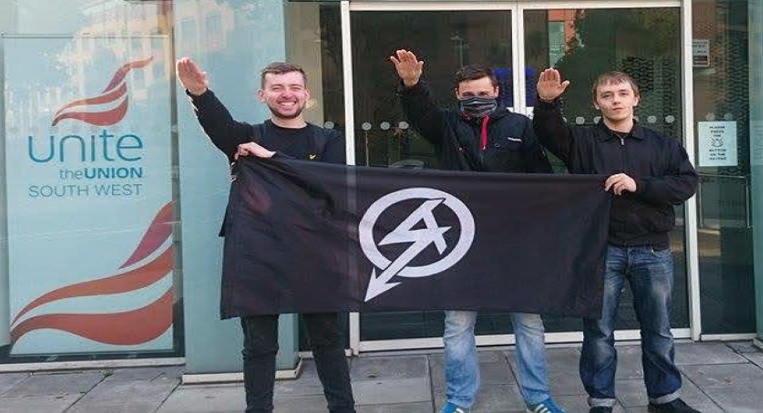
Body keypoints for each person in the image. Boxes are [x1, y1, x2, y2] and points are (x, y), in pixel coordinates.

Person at [176, 57, 355, 413]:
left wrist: (267, 156)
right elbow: (219, 125)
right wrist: (199, 92)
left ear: (307, 95)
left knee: (327, 340)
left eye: (293, 87)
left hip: (314, 253)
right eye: (277, 88)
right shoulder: (246, 137)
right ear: (262, 95)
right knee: (259, 347)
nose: (286, 95)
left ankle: (344, 409)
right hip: (258, 254)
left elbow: (327, 183)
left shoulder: (328, 139)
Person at [390, 49, 565, 413]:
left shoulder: (520, 127)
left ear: (497, 91)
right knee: (457, 323)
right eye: (468, 94)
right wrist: (411, 84)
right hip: (460, 239)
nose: (476, 99)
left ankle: (538, 398)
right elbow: (421, 113)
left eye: (483, 93)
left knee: (529, 322)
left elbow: (541, 178)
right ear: (457, 95)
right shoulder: (447, 125)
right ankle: (458, 400)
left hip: (514, 241)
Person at [534, 69, 699, 413]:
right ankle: (601, 402)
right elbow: (548, 133)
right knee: (598, 332)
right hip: (601, 250)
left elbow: (685, 184)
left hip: (652, 249)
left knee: (659, 331)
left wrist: (640, 185)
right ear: (596, 103)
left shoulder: (662, 145)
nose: (616, 100)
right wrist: (548, 103)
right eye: (607, 95)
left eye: (623, 93)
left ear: (636, 98)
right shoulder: (581, 142)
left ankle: (665, 400)